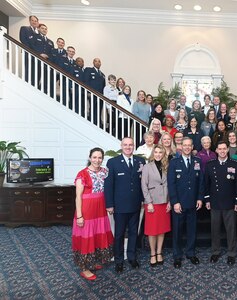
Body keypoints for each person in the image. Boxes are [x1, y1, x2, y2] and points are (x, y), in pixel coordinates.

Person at [72, 147, 114, 280]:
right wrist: (79, 215)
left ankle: (93, 261)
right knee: (87, 237)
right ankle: (84, 268)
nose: (97, 160)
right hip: (87, 210)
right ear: (90, 158)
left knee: (97, 235)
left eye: (100, 157)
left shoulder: (105, 171)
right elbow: (78, 196)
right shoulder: (82, 174)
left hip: (100, 209)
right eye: (94, 157)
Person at [105, 137, 145, 273]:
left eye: (131, 145)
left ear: (134, 146)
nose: (128, 147)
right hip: (119, 206)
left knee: (134, 233)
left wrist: (143, 200)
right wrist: (109, 204)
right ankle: (119, 260)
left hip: (135, 204)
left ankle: (132, 257)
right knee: (119, 234)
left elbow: (142, 184)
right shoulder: (113, 162)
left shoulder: (140, 161)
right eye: (126, 145)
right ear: (121, 146)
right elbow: (109, 185)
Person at [167, 137, 204, 268]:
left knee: (192, 230)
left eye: (189, 145)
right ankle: (177, 256)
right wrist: (174, 202)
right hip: (179, 204)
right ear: (180, 147)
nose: (187, 147)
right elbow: (171, 184)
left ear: (192, 146)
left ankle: (190, 253)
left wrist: (200, 198)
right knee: (177, 231)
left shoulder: (197, 161)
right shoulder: (174, 162)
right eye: (185, 145)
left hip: (193, 202)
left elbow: (201, 181)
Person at [204, 141, 237, 265]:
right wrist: (207, 199)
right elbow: (206, 184)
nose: (222, 151)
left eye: (224, 149)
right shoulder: (210, 165)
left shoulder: (235, 164)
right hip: (214, 202)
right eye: (220, 149)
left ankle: (231, 253)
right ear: (216, 151)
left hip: (230, 202)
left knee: (231, 229)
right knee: (215, 229)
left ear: (228, 149)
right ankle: (215, 251)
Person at [141, 145, 171, 267]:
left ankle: (159, 252)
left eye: (161, 152)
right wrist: (149, 203)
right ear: (153, 153)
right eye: (156, 152)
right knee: (152, 231)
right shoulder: (147, 167)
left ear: (164, 154)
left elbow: (170, 185)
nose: (158, 154)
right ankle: (153, 253)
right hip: (152, 203)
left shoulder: (167, 166)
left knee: (161, 230)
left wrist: (170, 201)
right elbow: (144, 185)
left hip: (165, 202)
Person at [84, 58, 106, 126]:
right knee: (93, 109)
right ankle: (92, 123)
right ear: (93, 62)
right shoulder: (89, 70)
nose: (98, 63)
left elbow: (103, 86)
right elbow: (86, 81)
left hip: (100, 96)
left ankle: (98, 123)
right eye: (96, 61)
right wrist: (88, 92)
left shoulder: (102, 74)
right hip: (92, 94)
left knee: (99, 110)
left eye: (99, 62)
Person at [20, 15, 39, 84]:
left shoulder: (38, 32)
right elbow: (23, 40)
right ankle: (27, 83)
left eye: (36, 21)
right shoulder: (24, 28)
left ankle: (34, 85)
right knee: (28, 69)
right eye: (32, 20)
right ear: (29, 21)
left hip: (37, 55)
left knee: (35, 71)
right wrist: (33, 49)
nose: (34, 22)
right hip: (28, 52)